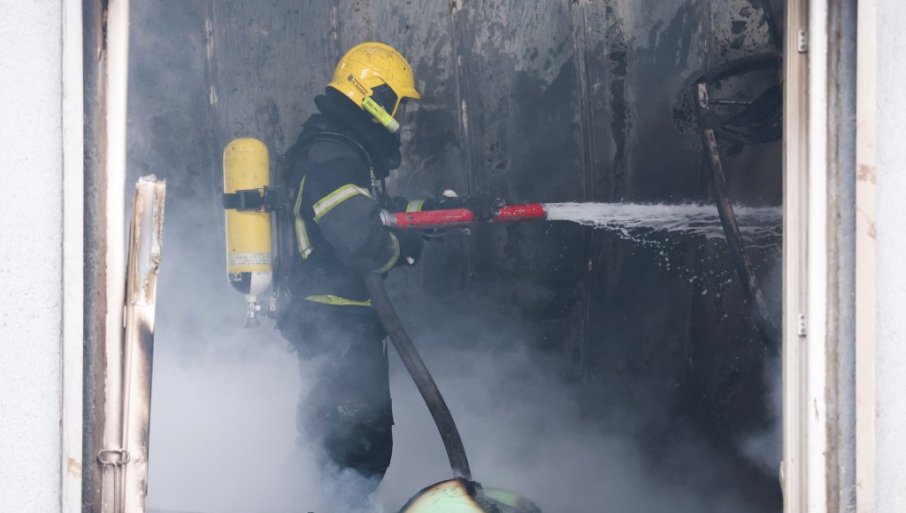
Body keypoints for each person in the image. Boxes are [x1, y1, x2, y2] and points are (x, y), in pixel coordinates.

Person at [276, 42, 427, 494]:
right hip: (337, 324)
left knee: (338, 449)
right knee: (353, 452)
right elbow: (363, 240)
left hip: (337, 322)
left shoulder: (341, 151)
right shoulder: (334, 157)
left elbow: (376, 214)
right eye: (399, 104)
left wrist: (433, 214)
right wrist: (404, 247)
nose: (403, 118)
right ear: (374, 96)